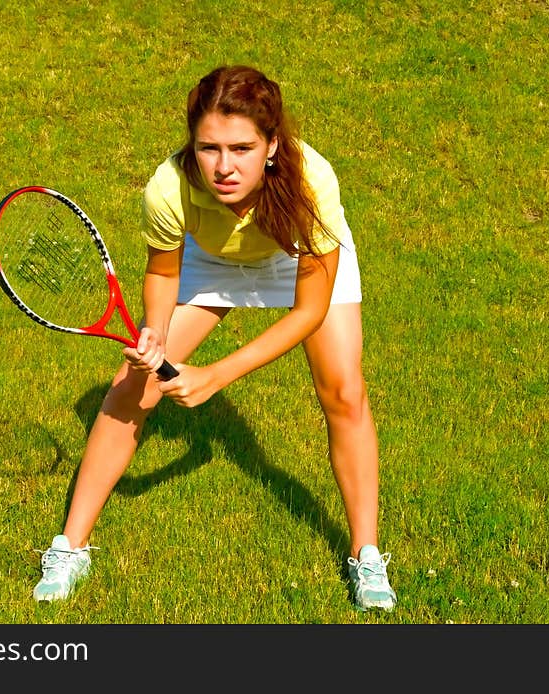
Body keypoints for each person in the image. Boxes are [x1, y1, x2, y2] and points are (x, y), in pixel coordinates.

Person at [33, 65, 397, 612]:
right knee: (133, 385)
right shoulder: (168, 187)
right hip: (214, 260)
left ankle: (366, 554)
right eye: (209, 148)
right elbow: (162, 272)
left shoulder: (312, 181)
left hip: (296, 255)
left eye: (242, 148)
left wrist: (217, 375)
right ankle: (70, 546)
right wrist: (155, 334)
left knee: (343, 391)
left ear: (273, 144)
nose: (224, 166)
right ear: (192, 146)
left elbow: (310, 311)